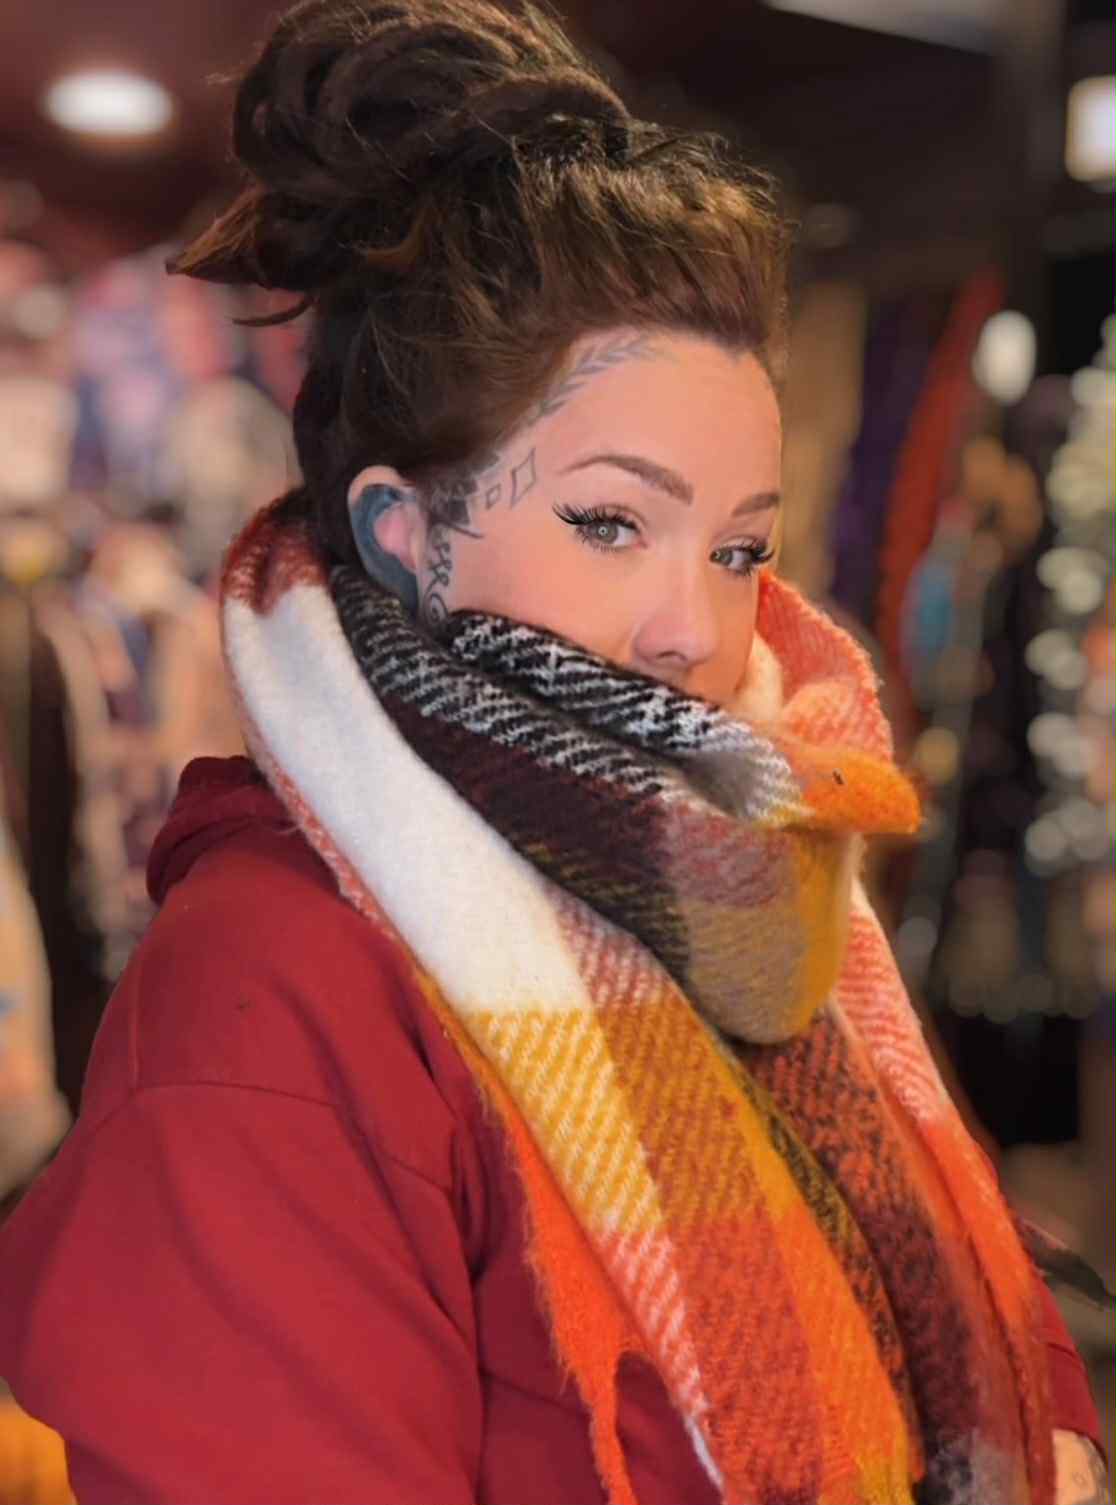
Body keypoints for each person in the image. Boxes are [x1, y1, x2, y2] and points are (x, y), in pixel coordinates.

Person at [0, 3, 1107, 1502]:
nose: (692, 626)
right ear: (406, 533)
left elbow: (974, 1292)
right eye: (608, 522)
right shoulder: (277, 989)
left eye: (739, 547)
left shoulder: (760, 878)